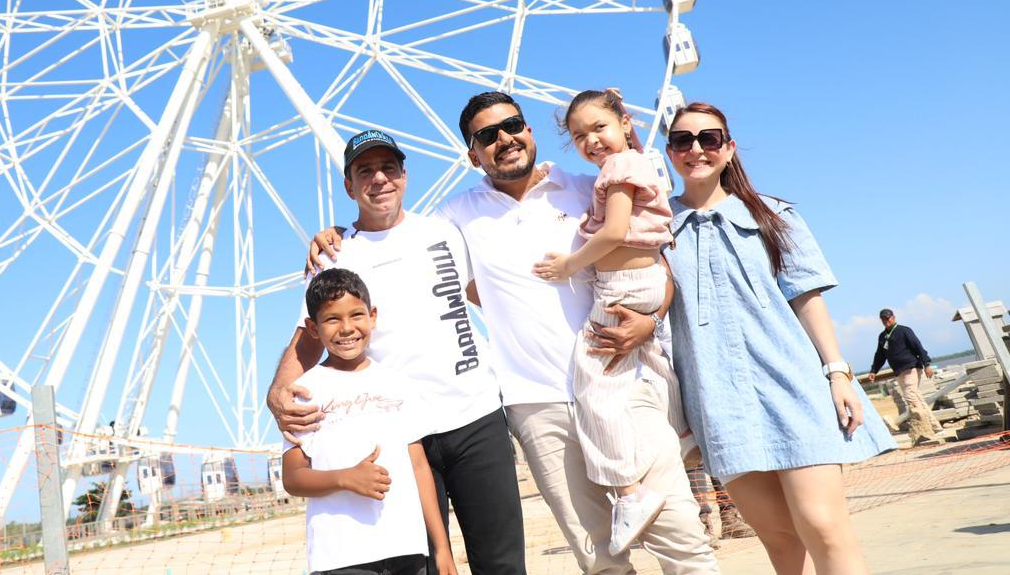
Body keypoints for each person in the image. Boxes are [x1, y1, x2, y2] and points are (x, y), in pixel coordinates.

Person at [311, 93, 720, 574]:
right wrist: (338, 236)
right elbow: (395, 236)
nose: (504, 139)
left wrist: (651, 320)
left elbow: (655, 262)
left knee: (682, 541)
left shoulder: (590, 189)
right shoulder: (454, 219)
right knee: (599, 559)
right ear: (473, 155)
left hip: (623, 382)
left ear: (529, 130)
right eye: (487, 136)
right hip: (537, 406)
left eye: (512, 125)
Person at [269, 130, 526, 574]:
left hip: (475, 416)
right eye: (365, 171)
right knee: (427, 565)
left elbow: (496, 293)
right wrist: (279, 391)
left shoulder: (446, 231)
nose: (379, 179)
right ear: (349, 186)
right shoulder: (333, 257)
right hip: (401, 436)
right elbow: (308, 336)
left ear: (404, 176)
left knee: (502, 564)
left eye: (389, 168)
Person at [661, 101, 894, 575]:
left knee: (823, 525)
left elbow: (807, 299)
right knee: (778, 539)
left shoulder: (772, 214)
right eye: (683, 140)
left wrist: (838, 373)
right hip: (716, 399)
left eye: (709, 139)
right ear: (670, 152)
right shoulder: (656, 227)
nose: (696, 149)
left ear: (729, 148)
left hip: (793, 384)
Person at [530, 89, 691, 555]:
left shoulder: (619, 167)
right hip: (641, 281)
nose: (591, 141)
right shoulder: (633, 161)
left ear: (624, 122)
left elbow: (616, 231)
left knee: (592, 384)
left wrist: (570, 265)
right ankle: (681, 432)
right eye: (579, 136)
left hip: (622, 285)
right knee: (648, 360)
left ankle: (628, 491)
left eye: (599, 127)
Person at [282, 268, 457, 575]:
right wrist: (345, 478)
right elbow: (293, 477)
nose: (347, 328)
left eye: (356, 315)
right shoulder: (304, 393)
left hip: (407, 549)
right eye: (332, 319)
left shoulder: (398, 383)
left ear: (372, 316)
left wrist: (442, 549)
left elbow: (419, 467)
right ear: (313, 327)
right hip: (341, 557)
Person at [869, 308, 941, 444]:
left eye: (888, 318)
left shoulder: (904, 330)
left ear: (893, 317)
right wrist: (874, 370)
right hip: (899, 371)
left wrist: (927, 364)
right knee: (917, 397)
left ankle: (925, 425)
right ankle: (935, 426)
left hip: (911, 367)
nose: (886, 321)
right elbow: (880, 355)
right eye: (883, 319)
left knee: (910, 395)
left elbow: (918, 347)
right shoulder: (882, 336)